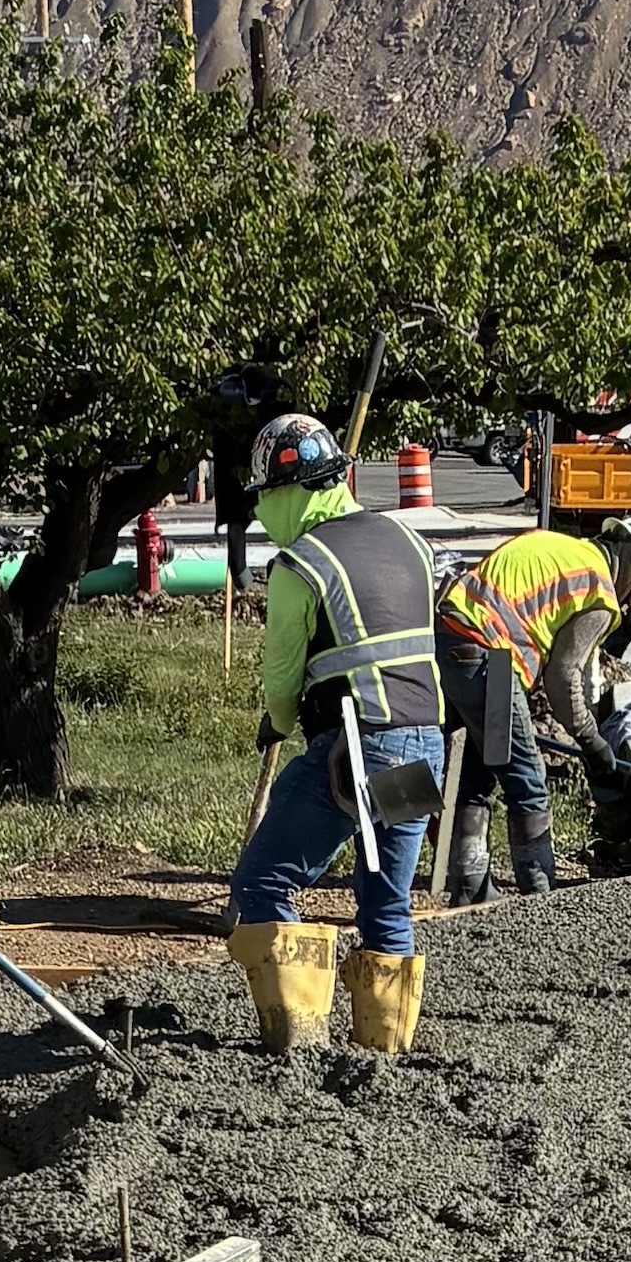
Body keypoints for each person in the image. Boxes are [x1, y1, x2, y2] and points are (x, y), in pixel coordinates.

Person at [224, 415, 445, 1054]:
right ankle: (384, 1051)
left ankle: (300, 1039)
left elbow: (282, 678)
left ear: (287, 490)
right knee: (386, 902)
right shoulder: (411, 543)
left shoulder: (300, 565)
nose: (263, 514)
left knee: (263, 881)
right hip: (421, 744)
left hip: (359, 745)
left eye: (264, 499)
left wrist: (280, 723)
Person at [432, 511, 631, 902]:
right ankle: (542, 896)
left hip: (449, 641)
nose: (630, 602)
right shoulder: (598, 592)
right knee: (527, 783)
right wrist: (591, 741)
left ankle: (469, 888)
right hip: (491, 662)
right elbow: (563, 678)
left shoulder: (564, 549)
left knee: (477, 776)